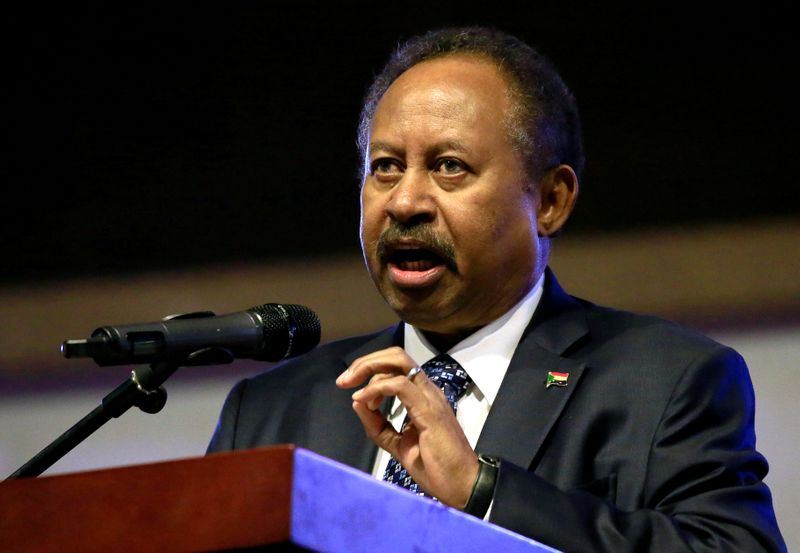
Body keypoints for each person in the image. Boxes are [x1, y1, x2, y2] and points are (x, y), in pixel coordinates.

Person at [207, 26, 786, 552]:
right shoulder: (268, 413)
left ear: (551, 201)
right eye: (385, 167)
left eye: (449, 166)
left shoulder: (667, 380)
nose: (404, 202)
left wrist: (481, 491)